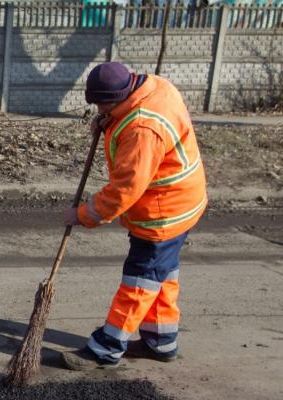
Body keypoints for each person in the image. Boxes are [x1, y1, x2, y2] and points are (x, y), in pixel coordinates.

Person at [60, 61, 207, 370]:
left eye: (104, 104)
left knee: (139, 280)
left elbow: (126, 188)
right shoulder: (152, 86)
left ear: (120, 96)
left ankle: (107, 347)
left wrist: (84, 215)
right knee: (162, 275)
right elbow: (122, 117)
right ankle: (161, 341)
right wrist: (107, 120)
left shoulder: (142, 128)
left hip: (163, 211)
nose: (100, 108)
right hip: (184, 201)